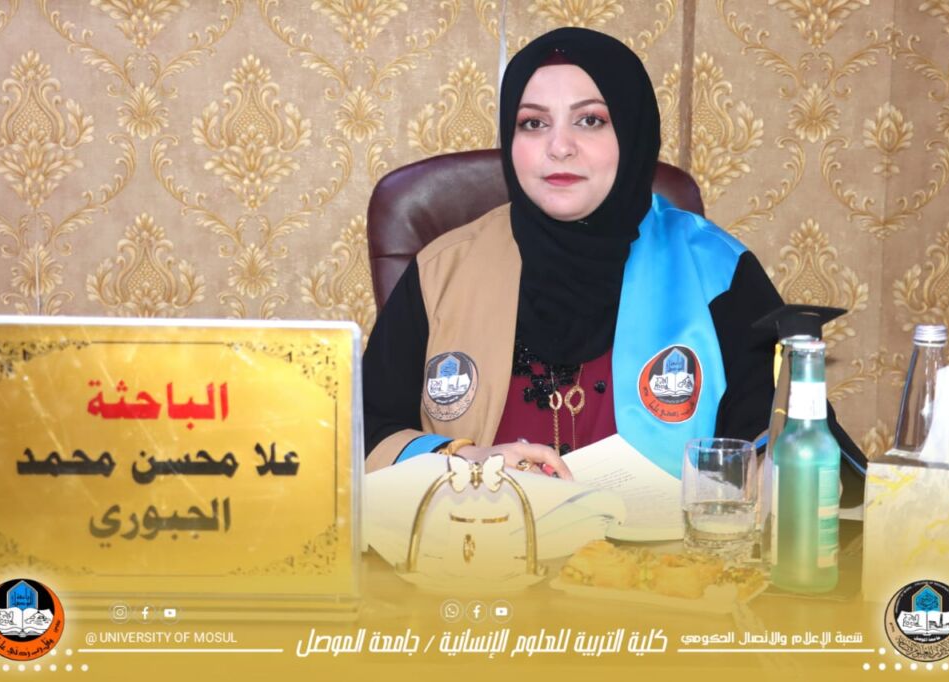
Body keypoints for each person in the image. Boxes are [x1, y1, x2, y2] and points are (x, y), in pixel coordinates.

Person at [363, 27, 865, 498]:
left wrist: (766, 476)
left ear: (632, 132)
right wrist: (464, 459)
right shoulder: (441, 272)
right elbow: (365, 433)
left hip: (661, 559)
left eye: (590, 120)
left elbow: (786, 439)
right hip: (483, 551)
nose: (559, 147)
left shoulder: (716, 271)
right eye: (533, 123)